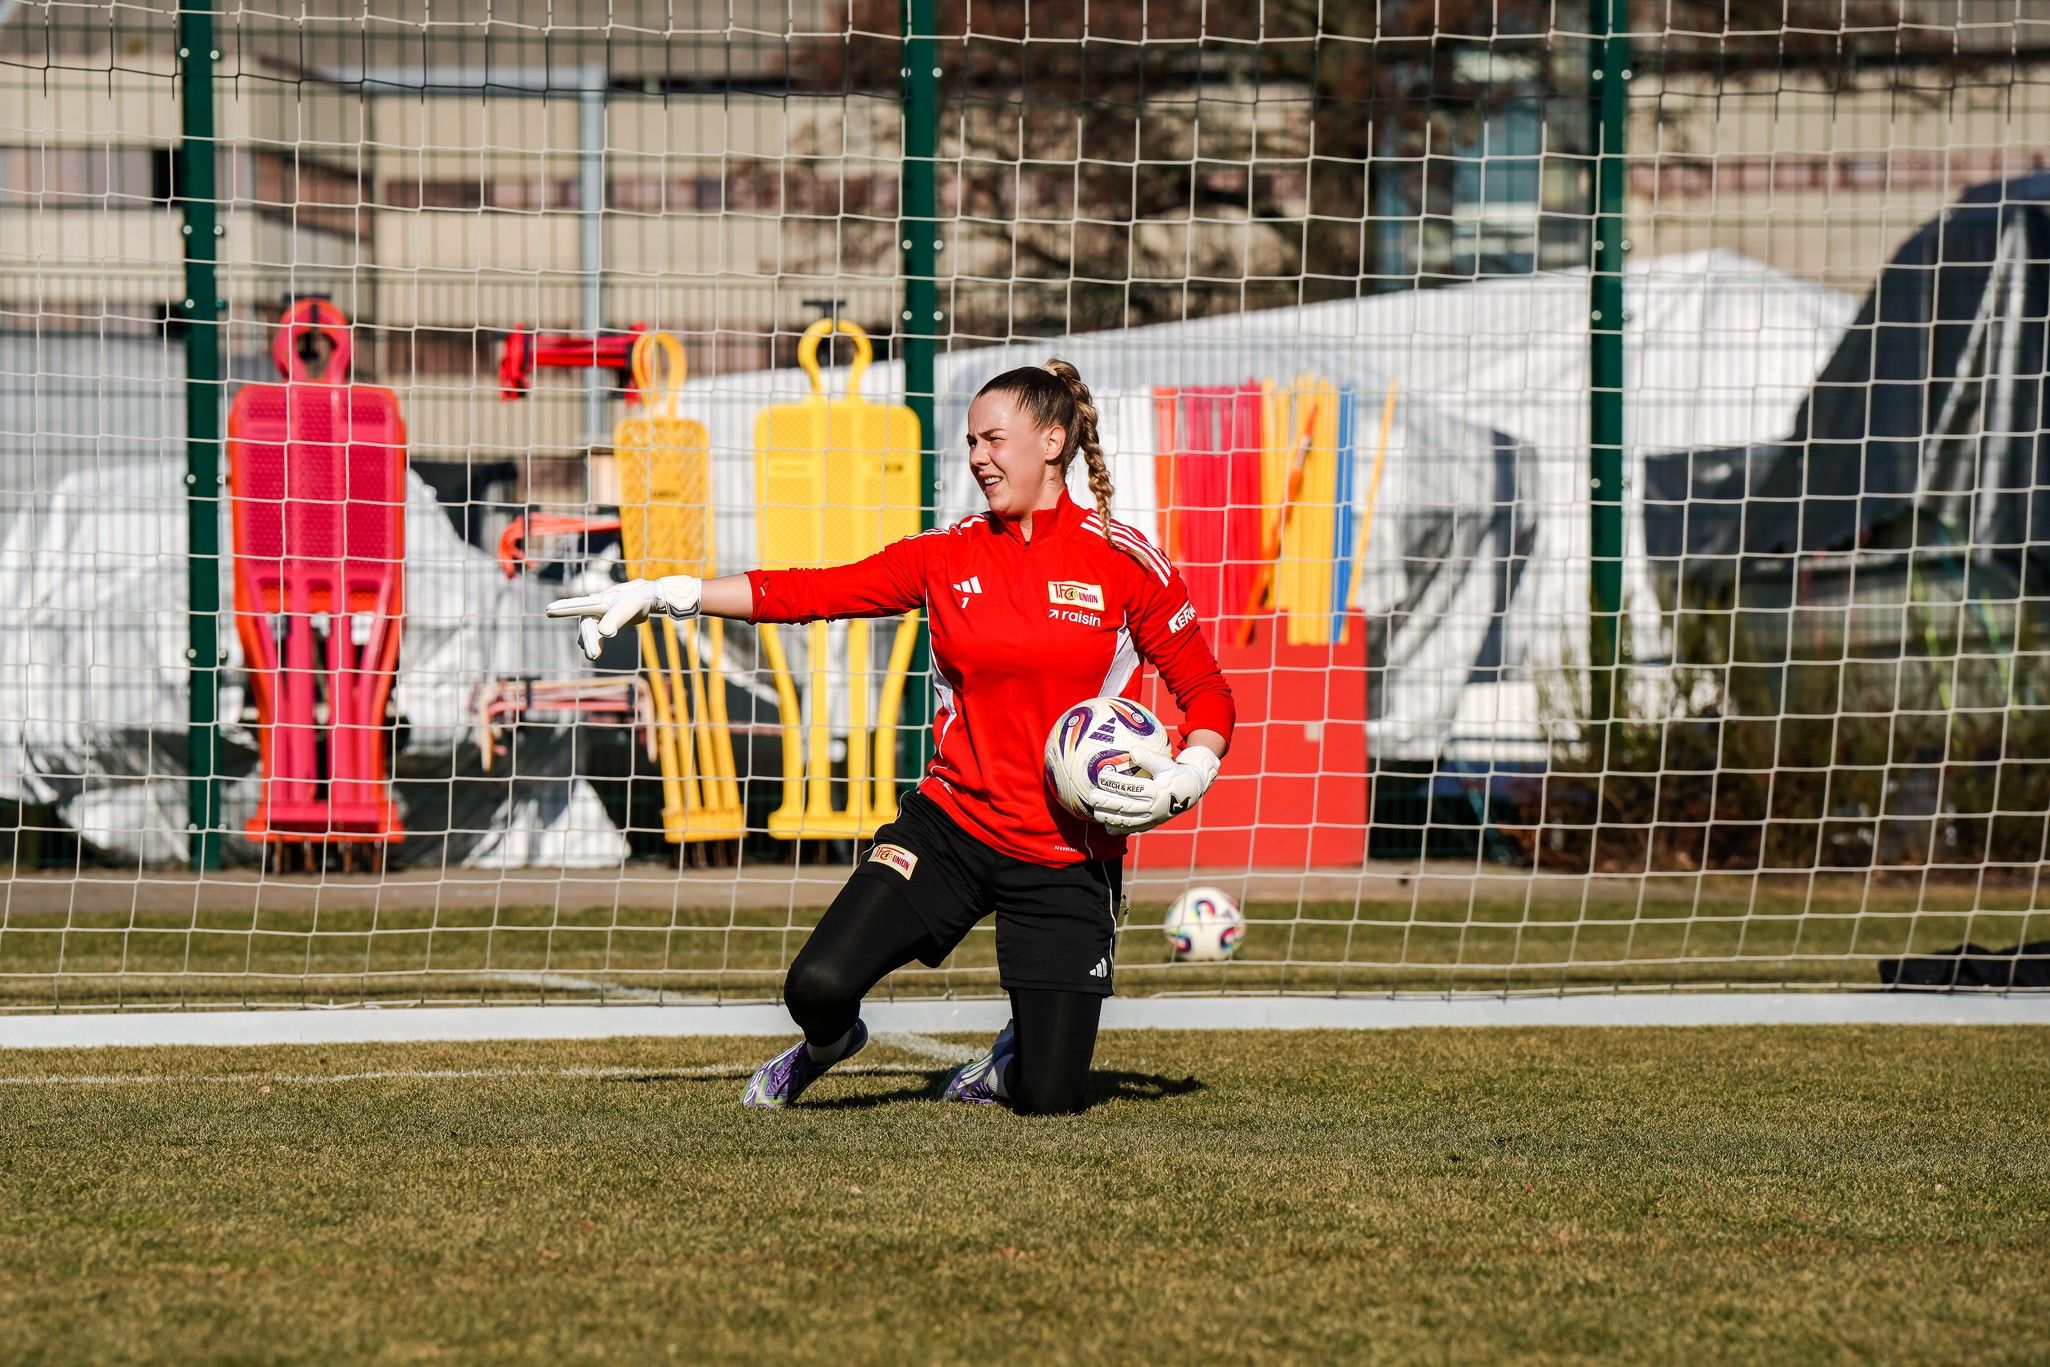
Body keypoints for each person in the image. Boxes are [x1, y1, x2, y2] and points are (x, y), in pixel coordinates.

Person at [547, 359, 1234, 1114]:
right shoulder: (949, 555)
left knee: (1052, 1099)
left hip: (1068, 854)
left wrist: (1190, 770)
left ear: (1052, 439)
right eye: (971, 442)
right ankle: (827, 1046)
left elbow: (1206, 693)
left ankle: (1006, 1067)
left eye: (994, 440)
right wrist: (671, 593)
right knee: (816, 985)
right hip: (952, 828)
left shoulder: (1128, 563)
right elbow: (813, 591)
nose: (977, 457)